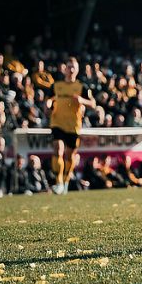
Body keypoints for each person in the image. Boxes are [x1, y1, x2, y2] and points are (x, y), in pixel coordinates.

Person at [47, 56, 96, 194]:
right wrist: (48, 104)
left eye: (74, 67)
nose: (71, 69)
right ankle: (58, 182)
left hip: (73, 125)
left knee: (69, 156)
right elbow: (49, 100)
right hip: (57, 123)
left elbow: (93, 103)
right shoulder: (56, 86)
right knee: (58, 148)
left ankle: (66, 180)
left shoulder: (81, 87)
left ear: (78, 70)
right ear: (64, 69)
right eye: (69, 67)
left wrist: (82, 100)